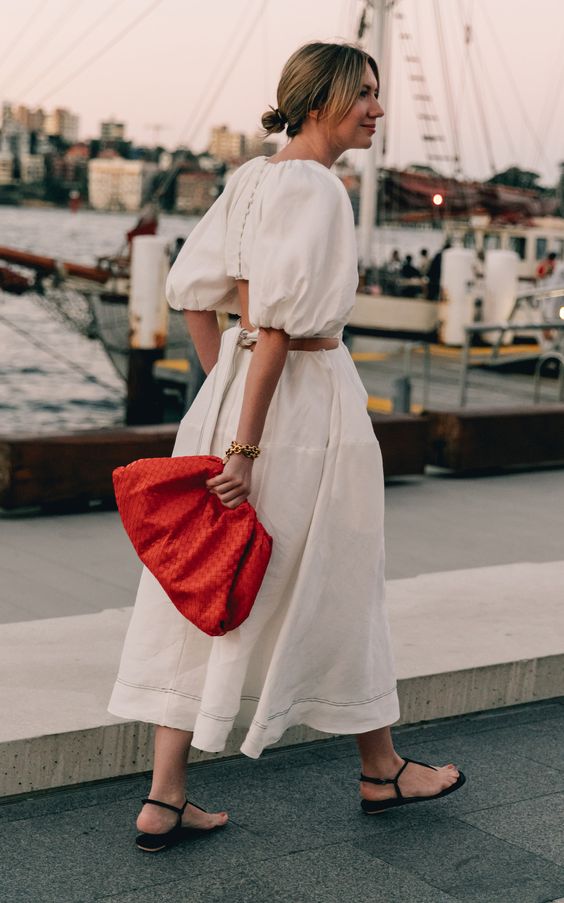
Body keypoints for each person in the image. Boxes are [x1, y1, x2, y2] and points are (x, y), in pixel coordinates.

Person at [108, 41, 464, 852]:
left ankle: (165, 797)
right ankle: (382, 769)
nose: (378, 107)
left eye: (378, 92)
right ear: (318, 100)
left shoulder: (251, 177)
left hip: (236, 398)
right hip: (299, 413)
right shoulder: (316, 188)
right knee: (338, 576)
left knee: (205, 577)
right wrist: (246, 444)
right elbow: (275, 325)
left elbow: (195, 298)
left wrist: (223, 393)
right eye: (363, 93)